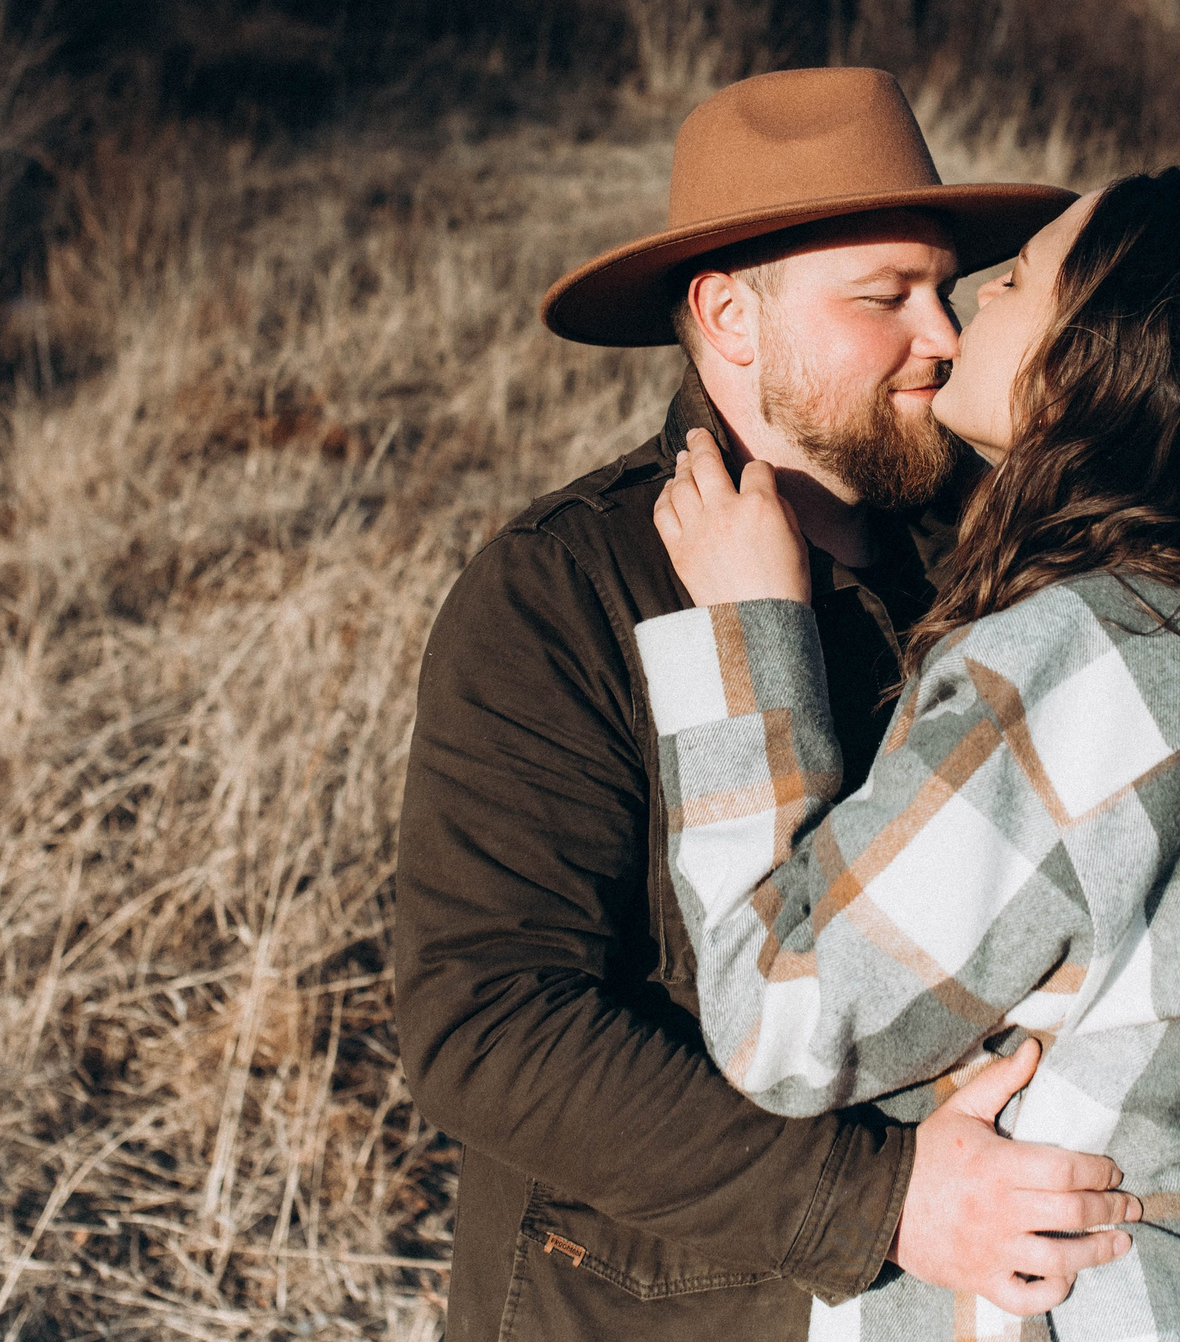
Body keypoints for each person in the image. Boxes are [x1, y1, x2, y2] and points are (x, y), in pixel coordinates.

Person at [637, 169, 1180, 1339]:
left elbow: (783, 1026)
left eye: (1011, 285)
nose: (956, 324)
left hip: (1105, 1296)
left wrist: (747, 644)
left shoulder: (1082, 663)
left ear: (1095, 358)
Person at [395, 68, 1137, 1342]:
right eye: (884, 296)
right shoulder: (563, 591)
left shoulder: (997, 558)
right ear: (730, 316)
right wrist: (882, 1198)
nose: (943, 334)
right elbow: (491, 1023)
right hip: (656, 1312)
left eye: (946, 289)